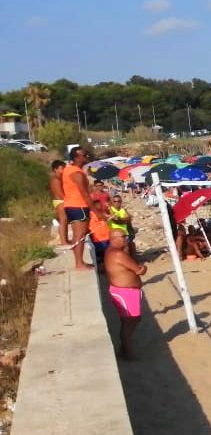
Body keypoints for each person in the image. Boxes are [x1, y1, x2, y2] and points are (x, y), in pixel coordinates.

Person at [104, 231, 146, 360]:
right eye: (123, 237)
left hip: (126, 291)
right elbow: (139, 270)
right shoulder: (118, 254)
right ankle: (128, 353)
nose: (126, 239)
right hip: (125, 292)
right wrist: (143, 268)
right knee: (129, 321)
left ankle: (125, 349)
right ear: (114, 239)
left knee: (131, 320)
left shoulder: (113, 252)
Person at [61, 148, 95, 271]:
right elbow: (85, 194)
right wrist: (98, 212)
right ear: (76, 157)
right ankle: (79, 264)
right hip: (79, 205)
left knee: (77, 236)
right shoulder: (76, 173)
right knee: (80, 236)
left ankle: (79, 262)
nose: (87, 156)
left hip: (71, 205)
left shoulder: (69, 169)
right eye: (84, 155)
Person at [49, 159, 69, 245]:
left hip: (61, 201)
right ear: (55, 169)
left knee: (66, 221)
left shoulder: (60, 178)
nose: (63, 170)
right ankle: (63, 241)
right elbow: (59, 193)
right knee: (63, 221)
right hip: (60, 201)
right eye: (62, 168)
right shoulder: (56, 179)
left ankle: (66, 239)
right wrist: (67, 200)